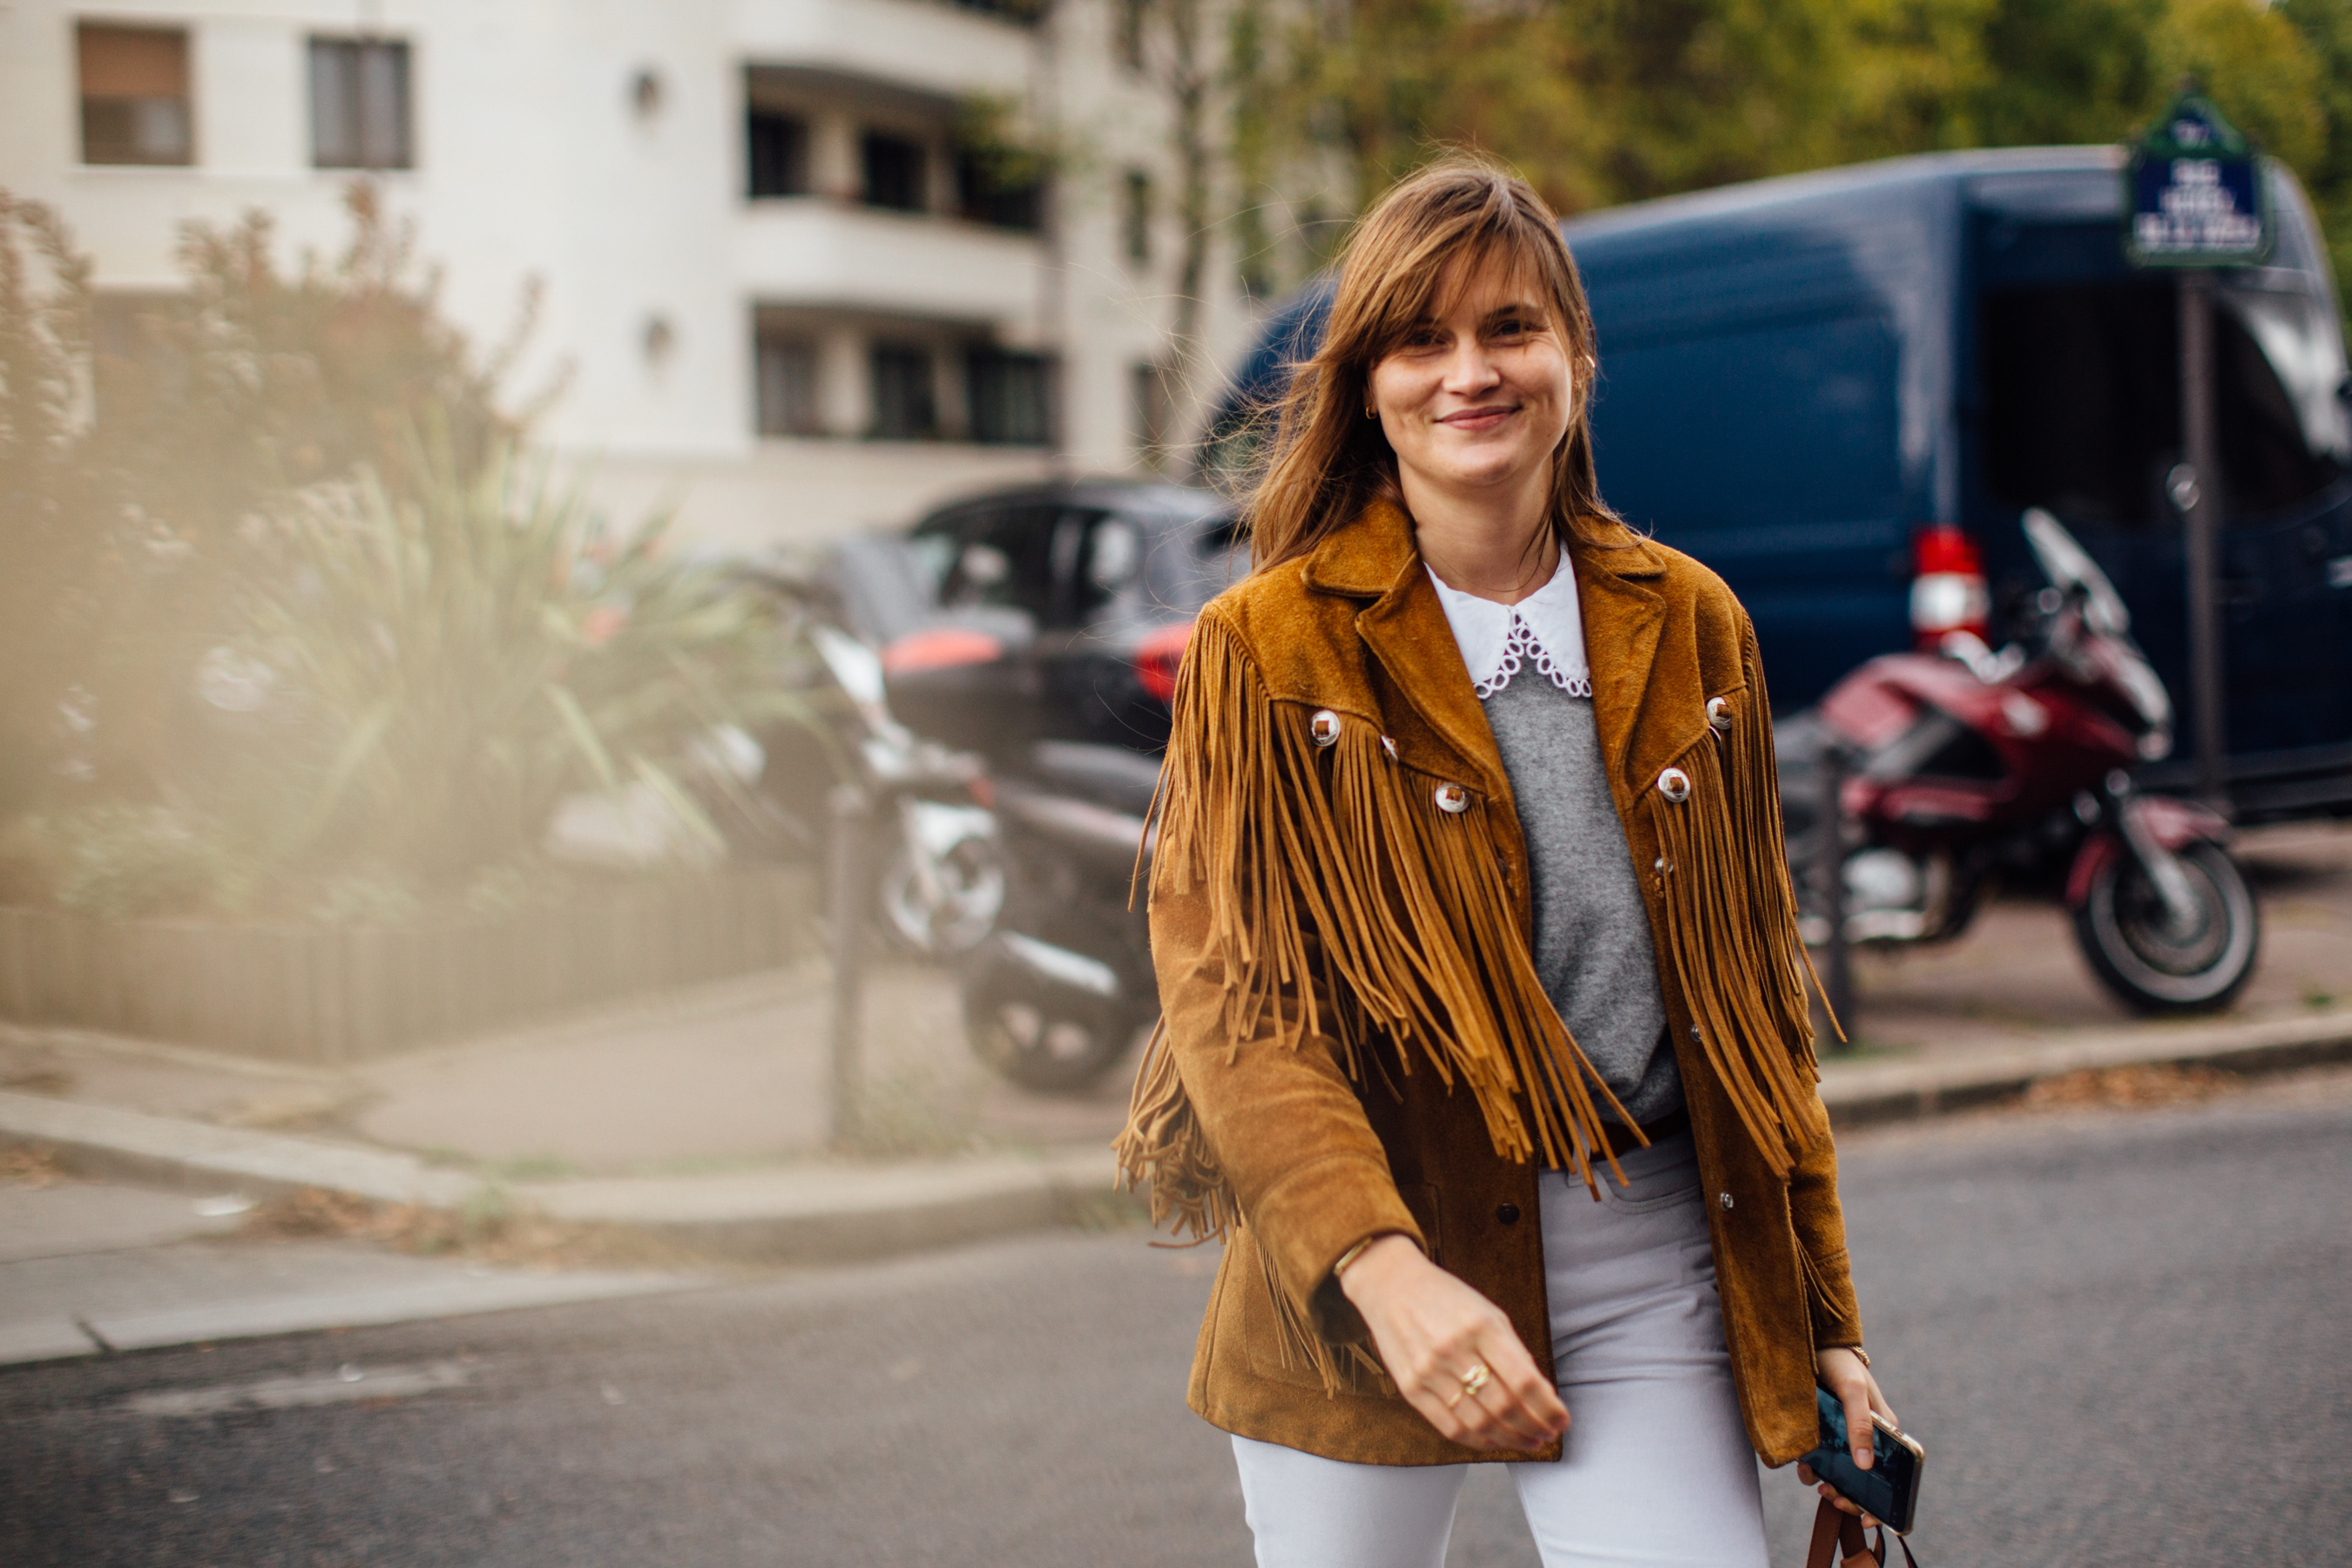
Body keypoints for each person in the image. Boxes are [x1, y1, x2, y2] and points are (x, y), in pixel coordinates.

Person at [1114, 155, 1896, 1568]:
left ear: (1576, 363)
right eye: (1422, 338)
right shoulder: (1267, 648)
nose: (1469, 371)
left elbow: (1757, 1012)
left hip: (1650, 1256)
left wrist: (1825, 1324)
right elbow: (1238, 1007)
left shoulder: (1696, 623)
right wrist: (1381, 1269)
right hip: (1367, 1266)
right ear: (1368, 385)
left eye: (1510, 329)